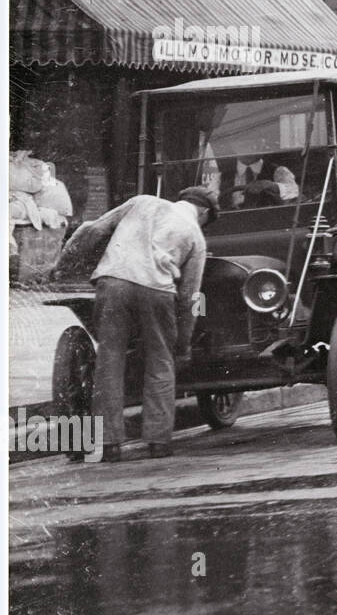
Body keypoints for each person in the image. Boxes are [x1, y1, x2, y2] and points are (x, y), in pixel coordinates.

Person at [53, 186, 216, 462]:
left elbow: (92, 229)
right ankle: (158, 442)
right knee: (161, 362)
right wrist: (182, 343)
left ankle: (109, 443)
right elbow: (191, 296)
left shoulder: (142, 202)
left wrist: (63, 263)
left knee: (109, 361)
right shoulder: (196, 236)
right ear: (204, 212)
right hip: (158, 292)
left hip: (113, 283)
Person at [219, 153, 299, 209]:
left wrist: (271, 186)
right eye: (242, 144)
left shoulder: (279, 171)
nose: (248, 150)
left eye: (253, 143)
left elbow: (294, 192)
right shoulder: (220, 174)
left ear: (262, 144)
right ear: (233, 146)